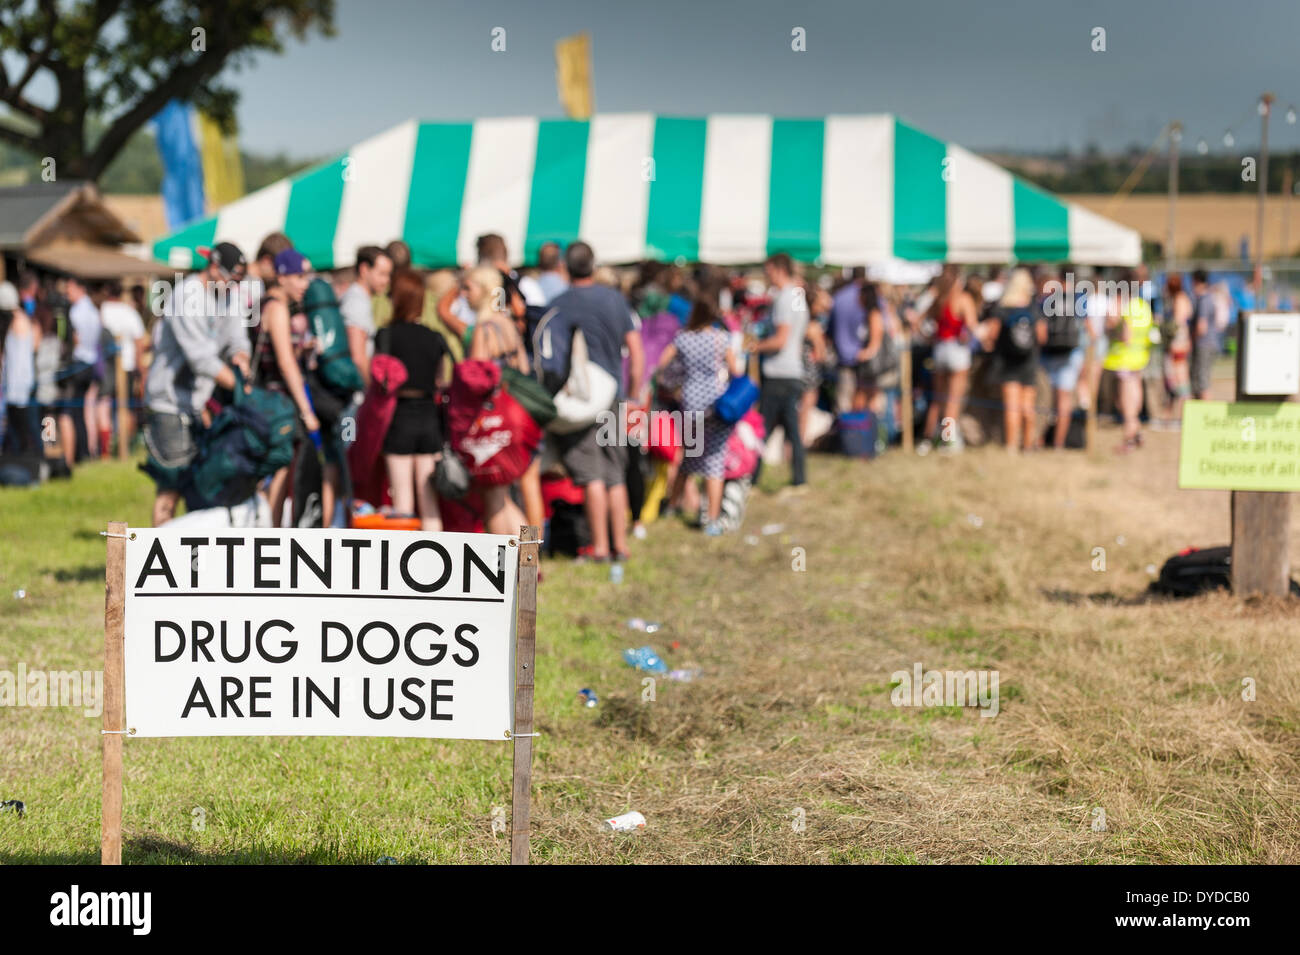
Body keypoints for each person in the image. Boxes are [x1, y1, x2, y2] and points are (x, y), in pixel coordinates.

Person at [546, 240, 644, 561]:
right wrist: (632, 394)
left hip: (580, 401)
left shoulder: (558, 303)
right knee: (615, 474)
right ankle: (621, 544)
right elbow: (636, 351)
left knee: (591, 476)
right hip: (613, 396)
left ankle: (599, 547)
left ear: (565, 266)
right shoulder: (614, 299)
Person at [142, 243, 251, 525]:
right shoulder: (186, 295)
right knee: (171, 486)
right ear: (214, 268)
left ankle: (191, 560)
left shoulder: (229, 294)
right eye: (231, 278)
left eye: (239, 281)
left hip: (196, 404)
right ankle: (160, 558)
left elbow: (237, 338)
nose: (233, 286)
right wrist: (240, 387)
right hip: (169, 403)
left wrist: (241, 357)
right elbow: (200, 358)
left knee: (198, 487)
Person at [655, 283, 744, 534]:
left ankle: (672, 505)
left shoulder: (682, 338)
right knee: (714, 461)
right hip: (715, 405)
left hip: (690, 403)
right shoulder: (720, 339)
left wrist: (673, 381)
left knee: (690, 456)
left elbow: (663, 364)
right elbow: (736, 370)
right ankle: (712, 520)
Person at [375, 269, 449, 531]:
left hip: (399, 417)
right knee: (429, 501)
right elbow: (440, 381)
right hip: (429, 417)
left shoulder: (385, 335)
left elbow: (378, 380)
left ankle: (401, 567)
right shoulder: (434, 337)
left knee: (402, 503)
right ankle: (439, 560)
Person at [254, 248, 323, 524]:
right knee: (278, 474)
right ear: (281, 277)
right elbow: (284, 364)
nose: (304, 284)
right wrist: (307, 412)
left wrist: (300, 350)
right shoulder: (278, 308)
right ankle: (266, 542)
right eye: (298, 277)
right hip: (276, 405)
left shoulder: (262, 304)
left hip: (263, 400)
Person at [750, 252, 808, 491]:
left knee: (763, 429)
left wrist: (755, 346)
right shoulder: (797, 296)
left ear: (778, 269)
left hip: (779, 372)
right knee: (791, 430)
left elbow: (781, 339)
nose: (767, 275)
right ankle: (799, 478)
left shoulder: (785, 298)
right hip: (792, 370)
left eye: (769, 270)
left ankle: (751, 477)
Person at [984, 268, 1045, 452]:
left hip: (1006, 362)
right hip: (1028, 362)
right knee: (1028, 407)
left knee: (1012, 407)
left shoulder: (1002, 308)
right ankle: (1027, 445)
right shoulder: (1032, 307)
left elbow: (991, 335)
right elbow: (1042, 336)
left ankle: (1011, 445)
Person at [921, 268, 979, 454]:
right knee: (953, 401)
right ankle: (948, 441)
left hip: (940, 350)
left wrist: (928, 338)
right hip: (957, 352)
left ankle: (927, 439)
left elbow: (918, 320)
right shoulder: (963, 299)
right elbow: (972, 327)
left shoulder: (938, 300)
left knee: (938, 399)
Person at [1103, 270, 1154, 454]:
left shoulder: (1126, 307)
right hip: (1140, 358)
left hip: (1124, 359)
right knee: (1135, 397)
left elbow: (1125, 336)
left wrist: (1112, 327)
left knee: (1126, 403)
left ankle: (1129, 438)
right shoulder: (1142, 305)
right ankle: (1137, 433)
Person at [95, 280, 149, 455]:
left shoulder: (102, 310)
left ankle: (109, 449)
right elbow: (139, 340)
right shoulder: (129, 312)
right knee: (125, 407)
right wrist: (139, 365)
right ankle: (125, 447)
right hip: (127, 366)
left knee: (104, 404)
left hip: (106, 366)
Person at [1038, 269, 1086, 450]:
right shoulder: (1079, 300)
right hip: (1071, 354)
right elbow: (1088, 330)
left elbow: (1041, 332)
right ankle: (1058, 442)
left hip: (1048, 355)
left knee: (1045, 400)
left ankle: (1040, 438)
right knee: (1064, 400)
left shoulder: (1047, 300)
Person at [339, 245, 393, 387]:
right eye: (382, 274)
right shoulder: (356, 301)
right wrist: (371, 390)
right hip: (357, 391)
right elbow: (358, 356)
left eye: (388, 275)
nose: (386, 280)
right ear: (364, 270)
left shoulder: (360, 298)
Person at [2, 280, 39, 453]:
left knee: (25, 428)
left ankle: (30, 461)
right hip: (19, 382)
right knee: (21, 427)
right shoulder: (21, 319)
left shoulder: (17, 321)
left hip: (19, 384)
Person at [830, 267, 867, 414]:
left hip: (844, 356)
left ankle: (847, 434)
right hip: (866, 359)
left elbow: (830, 329)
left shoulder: (839, 297)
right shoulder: (868, 296)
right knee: (863, 405)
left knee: (844, 404)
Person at [1160, 273, 1193, 428]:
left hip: (1177, 344)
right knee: (1174, 381)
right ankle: (1170, 416)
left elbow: (1177, 323)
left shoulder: (1180, 299)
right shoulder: (1181, 298)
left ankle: (1186, 416)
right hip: (1179, 343)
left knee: (1180, 381)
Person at [1189, 268, 1218, 400]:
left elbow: (1202, 327)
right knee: (1198, 381)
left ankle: (1205, 414)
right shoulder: (1208, 297)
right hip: (1207, 344)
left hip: (1203, 345)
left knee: (1202, 383)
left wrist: (1191, 339)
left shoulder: (1204, 300)